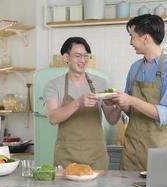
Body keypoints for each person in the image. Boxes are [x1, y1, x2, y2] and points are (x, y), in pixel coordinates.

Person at [106, 14, 167, 171]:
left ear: (146, 38)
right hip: (133, 148)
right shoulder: (135, 68)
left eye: (132, 36)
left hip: (160, 149)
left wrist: (132, 100)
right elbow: (132, 110)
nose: (130, 42)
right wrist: (120, 102)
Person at [44, 37, 120, 170]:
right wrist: (78, 102)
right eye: (78, 56)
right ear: (66, 57)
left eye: (86, 56)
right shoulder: (53, 85)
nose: (83, 60)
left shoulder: (101, 83)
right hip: (66, 158)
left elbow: (112, 119)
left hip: (96, 158)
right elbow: (53, 118)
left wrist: (119, 105)